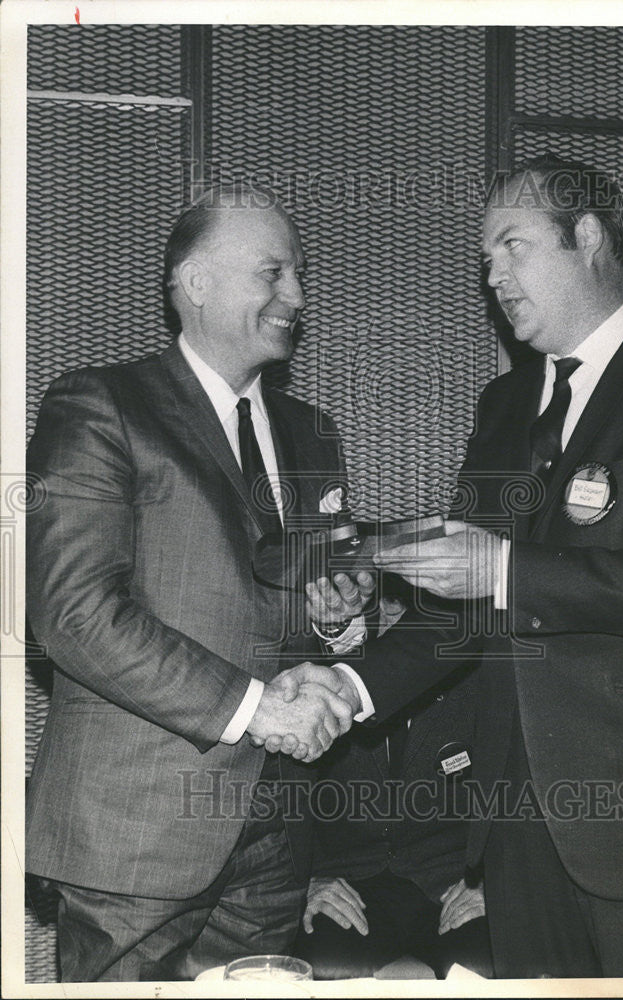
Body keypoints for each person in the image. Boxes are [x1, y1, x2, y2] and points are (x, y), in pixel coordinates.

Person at [275, 153, 623, 977]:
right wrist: (348, 687)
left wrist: (503, 567)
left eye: (511, 247)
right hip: (511, 836)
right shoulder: (504, 405)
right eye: (485, 259)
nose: (493, 276)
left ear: (587, 236)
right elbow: (460, 600)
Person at [25, 183, 369, 982]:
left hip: (278, 833)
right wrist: (258, 711)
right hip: (135, 832)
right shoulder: (101, 405)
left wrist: (343, 619)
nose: (298, 296)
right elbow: (71, 614)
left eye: (301, 275)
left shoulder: (313, 433)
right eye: (274, 273)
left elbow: (321, 601)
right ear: (196, 282)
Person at [293, 655, 494, 980]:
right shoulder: (327, 676)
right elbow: (286, 797)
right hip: (349, 881)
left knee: (479, 967)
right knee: (324, 963)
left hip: (451, 881)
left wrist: (490, 885)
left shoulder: (476, 672)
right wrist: (311, 882)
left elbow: (516, 796)